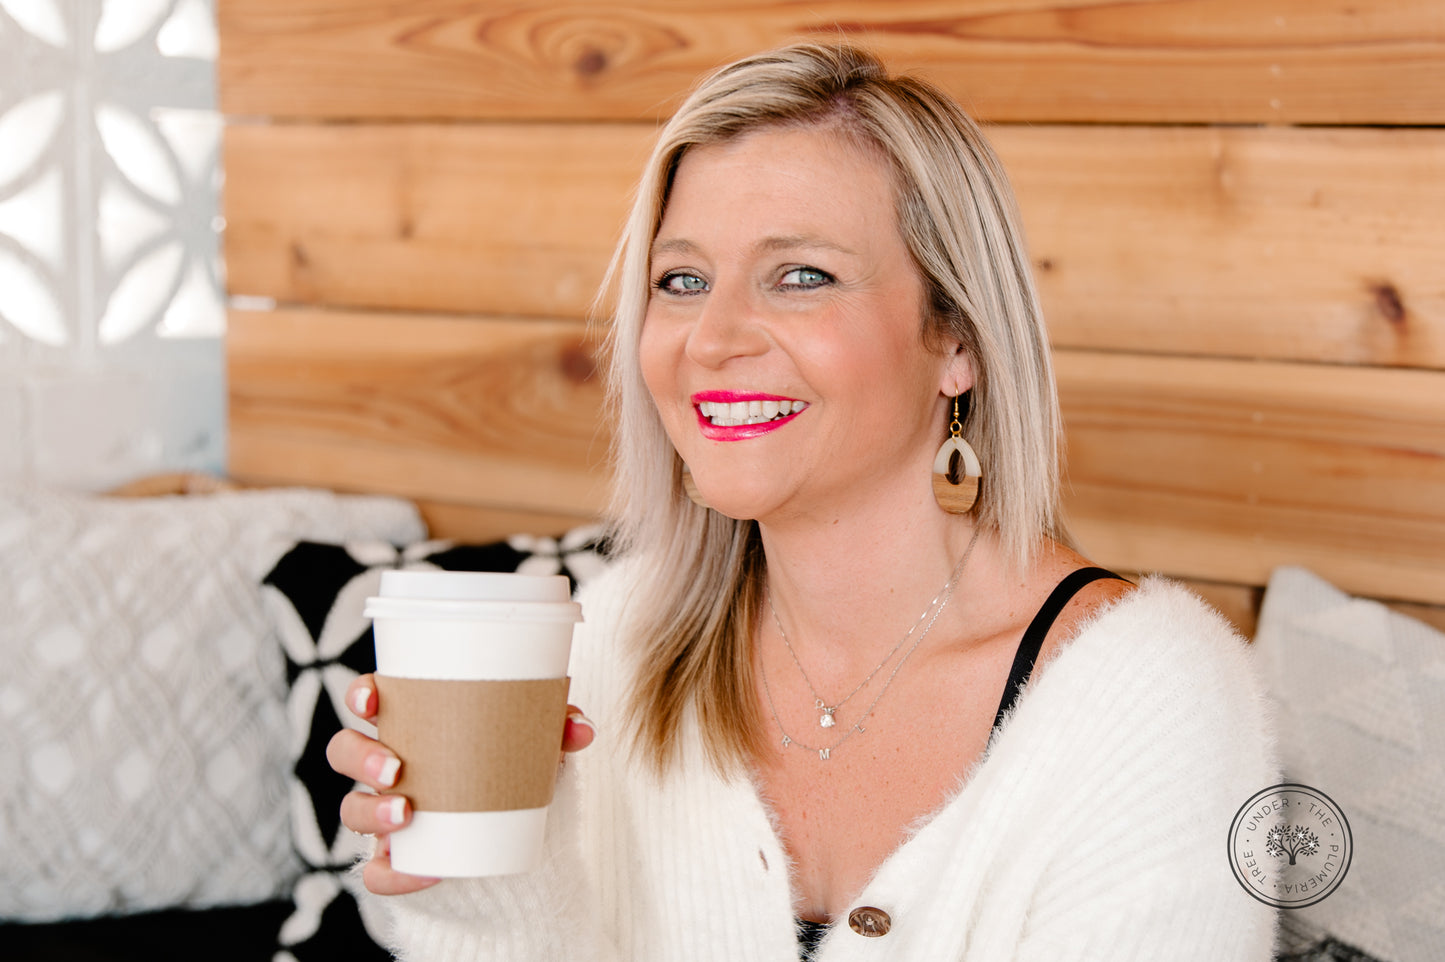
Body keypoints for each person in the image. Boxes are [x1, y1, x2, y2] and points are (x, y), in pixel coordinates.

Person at [328, 42, 1278, 960]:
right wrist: (480, 886)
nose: (711, 337)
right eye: (682, 280)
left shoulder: (1155, 699)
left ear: (955, 339)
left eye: (801, 276)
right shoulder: (612, 642)